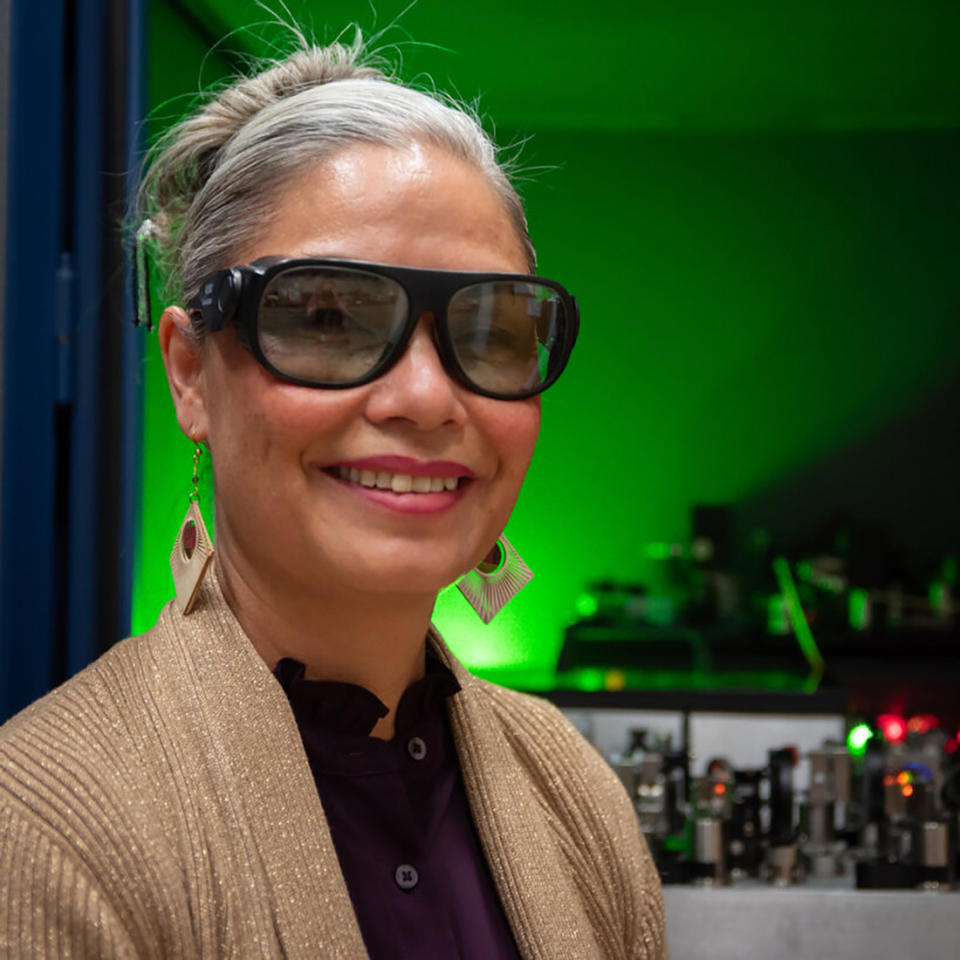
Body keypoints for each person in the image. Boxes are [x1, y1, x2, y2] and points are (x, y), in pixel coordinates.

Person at [0, 34, 667, 959]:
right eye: (325, 318)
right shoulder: (48, 829)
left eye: (491, 329)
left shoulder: (574, 793)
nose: (428, 398)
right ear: (191, 371)